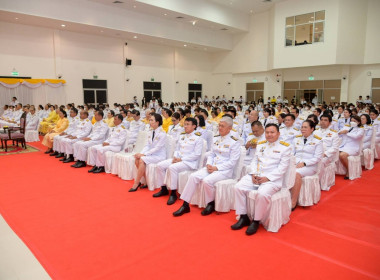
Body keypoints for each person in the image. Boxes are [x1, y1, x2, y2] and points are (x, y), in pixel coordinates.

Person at [173, 116, 240, 217]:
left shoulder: (234, 142)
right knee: (193, 177)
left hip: (224, 170)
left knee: (207, 181)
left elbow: (232, 162)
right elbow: (212, 154)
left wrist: (216, 168)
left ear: (229, 128)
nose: (219, 128)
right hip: (212, 166)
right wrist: (209, 164)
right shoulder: (216, 138)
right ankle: (185, 204)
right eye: (219, 126)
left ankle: (211, 203)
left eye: (222, 126)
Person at [231, 124, 292, 235]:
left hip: (272, 180)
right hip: (257, 176)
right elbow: (255, 161)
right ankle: (243, 216)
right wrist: (253, 173)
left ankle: (256, 221)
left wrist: (267, 178)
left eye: (272, 132)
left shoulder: (285, 147)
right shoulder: (261, 144)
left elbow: (282, 168)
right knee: (238, 187)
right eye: (267, 132)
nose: (269, 135)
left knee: (262, 194)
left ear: (278, 133)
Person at [153, 118, 204, 205]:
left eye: (188, 124)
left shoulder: (198, 138)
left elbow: (197, 154)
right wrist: (176, 157)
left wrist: (181, 159)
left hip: (189, 162)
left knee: (172, 168)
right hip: (178, 159)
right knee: (160, 165)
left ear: (194, 126)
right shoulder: (182, 135)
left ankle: (173, 193)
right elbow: (177, 149)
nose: (185, 126)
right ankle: (164, 188)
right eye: (185, 124)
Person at [290, 120, 324, 209]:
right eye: (302, 127)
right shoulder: (296, 139)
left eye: (305, 127)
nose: (302, 129)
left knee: (296, 174)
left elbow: (317, 158)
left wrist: (305, 163)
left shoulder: (318, 141)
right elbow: (291, 153)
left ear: (312, 129)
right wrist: (292, 162)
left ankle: (293, 201)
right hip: (296, 163)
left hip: (310, 166)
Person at [129, 113, 167, 191]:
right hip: (151, 154)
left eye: (152, 120)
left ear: (157, 122)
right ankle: (146, 182)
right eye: (149, 120)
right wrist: (141, 153)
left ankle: (136, 182)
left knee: (142, 159)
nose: (150, 122)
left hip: (159, 155)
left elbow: (157, 148)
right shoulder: (150, 131)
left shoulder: (162, 133)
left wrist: (144, 154)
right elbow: (147, 145)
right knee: (137, 159)